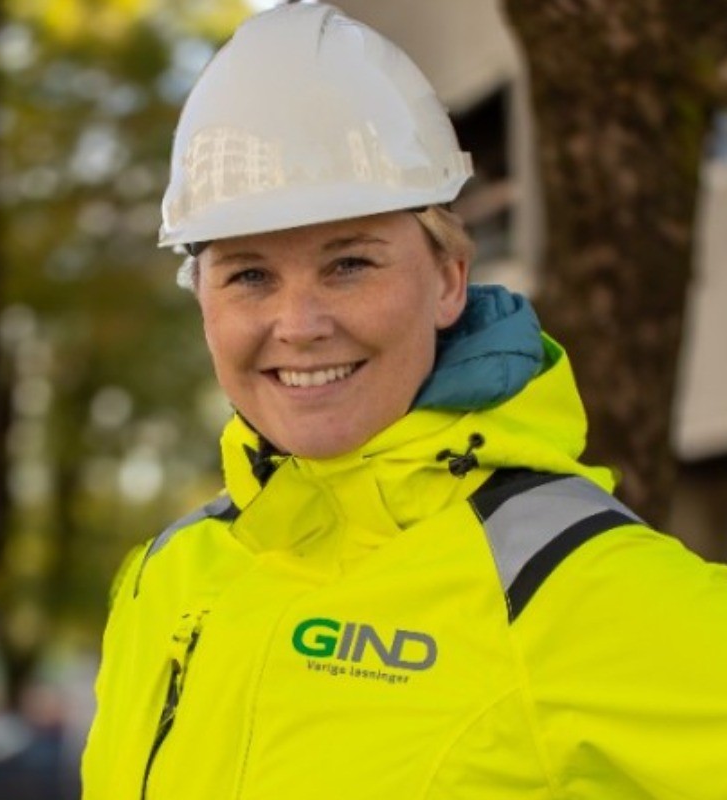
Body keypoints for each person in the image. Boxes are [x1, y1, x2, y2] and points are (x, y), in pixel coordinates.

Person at [81, 4, 727, 798]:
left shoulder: (561, 583)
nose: (299, 325)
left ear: (449, 280)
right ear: (203, 303)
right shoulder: (166, 576)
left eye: (349, 264)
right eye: (249, 275)